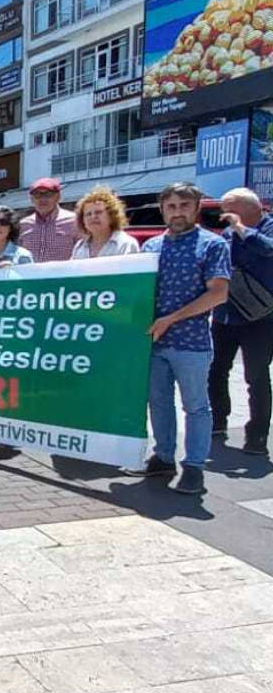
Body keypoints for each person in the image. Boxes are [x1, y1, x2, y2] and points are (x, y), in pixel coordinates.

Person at [125, 183, 231, 495]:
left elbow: (218, 293)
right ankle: (163, 457)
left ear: (196, 208)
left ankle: (194, 467)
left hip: (191, 343)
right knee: (158, 403)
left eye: (184, 206)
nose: (178, 212)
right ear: (163, 210)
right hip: (154, 342)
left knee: (196, 406)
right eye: (171, 207)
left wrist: (171, 319)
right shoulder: (151, 247)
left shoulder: (212, 245)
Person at [208, 187, 273, 457]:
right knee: (215, 370)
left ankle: (257, 435)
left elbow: (269, 250)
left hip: (260, 317)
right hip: (226, 314)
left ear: (251, 208)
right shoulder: (227, 234)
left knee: (256, 375)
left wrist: (243, 230)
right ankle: (217, 421)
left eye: (230, 208)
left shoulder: (266, 228)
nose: (225, 214)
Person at [19, 177, 79, 263]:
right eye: (37, 195)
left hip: (63, 271)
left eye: (48, 194)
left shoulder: (74, 221)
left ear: (58, 197)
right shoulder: (23, 225)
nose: (42, 199)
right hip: (30, 271)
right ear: (32, 199)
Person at [71, 186, 141, 259]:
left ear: (112, 215)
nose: (93, 217)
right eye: (88, 214)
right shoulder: (79, 247)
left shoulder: (126, 244)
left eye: (98, 212)